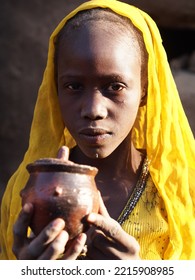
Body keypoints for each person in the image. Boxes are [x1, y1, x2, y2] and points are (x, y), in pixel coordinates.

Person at [0, 0, 195, 260]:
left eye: (114, 86)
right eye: (73, 86)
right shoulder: (29, 190)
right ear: (54, 89)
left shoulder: (181, 191)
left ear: (146, 89)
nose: (94, 109)